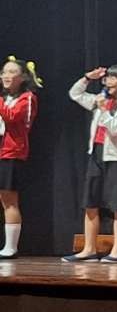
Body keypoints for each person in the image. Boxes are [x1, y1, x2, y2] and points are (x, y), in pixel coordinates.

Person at [64, 65, 117, 263]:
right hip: (96, 154)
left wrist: (103, 110)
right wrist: (87, 77)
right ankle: (89, 249)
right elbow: (75, 94)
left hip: (116, 157)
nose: (107, 80)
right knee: (90, 202)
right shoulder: (101, 98)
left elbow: (115, 128)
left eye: (113, 77)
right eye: (107, 77)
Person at [0, 56, 41, 259]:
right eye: (4, 72)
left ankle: (11, 247)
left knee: (10, 200)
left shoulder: (28, 98)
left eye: (11, 72)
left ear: (23, 77)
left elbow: (13, 117)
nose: (6, 76)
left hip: (12, 152)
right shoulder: (4, 97)